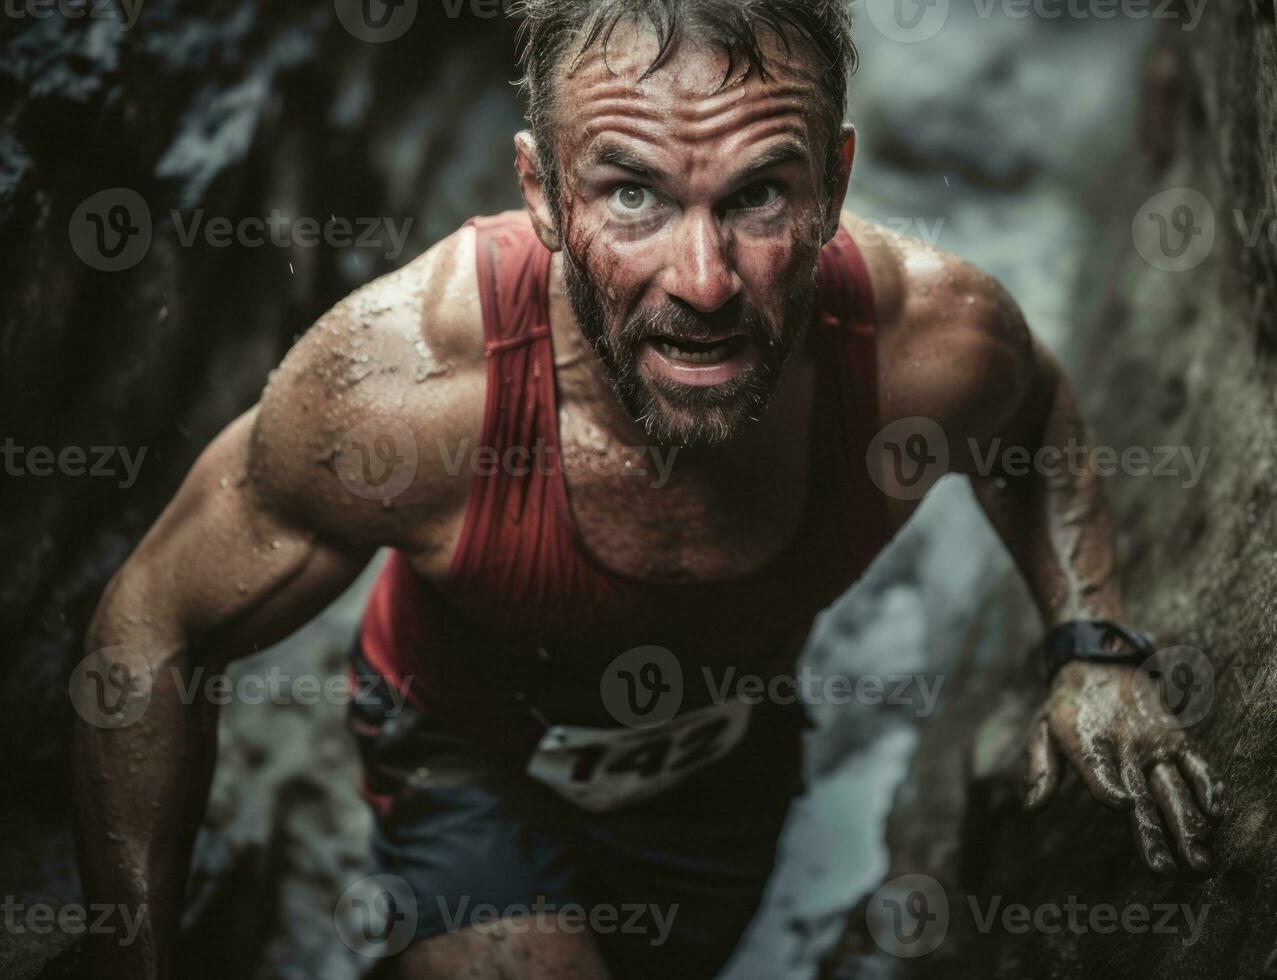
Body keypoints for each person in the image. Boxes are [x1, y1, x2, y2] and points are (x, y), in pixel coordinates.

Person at [74, 1, 1224, 977]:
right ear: (539, 191)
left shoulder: (932, 340)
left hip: (726, 760)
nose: (704, 280)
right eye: (630, 195)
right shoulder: (400, 389)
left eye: (758, 197)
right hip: (462, 752)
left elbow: (1027, 413)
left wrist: (1090, 645)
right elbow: (149, 630)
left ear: (832, 180)